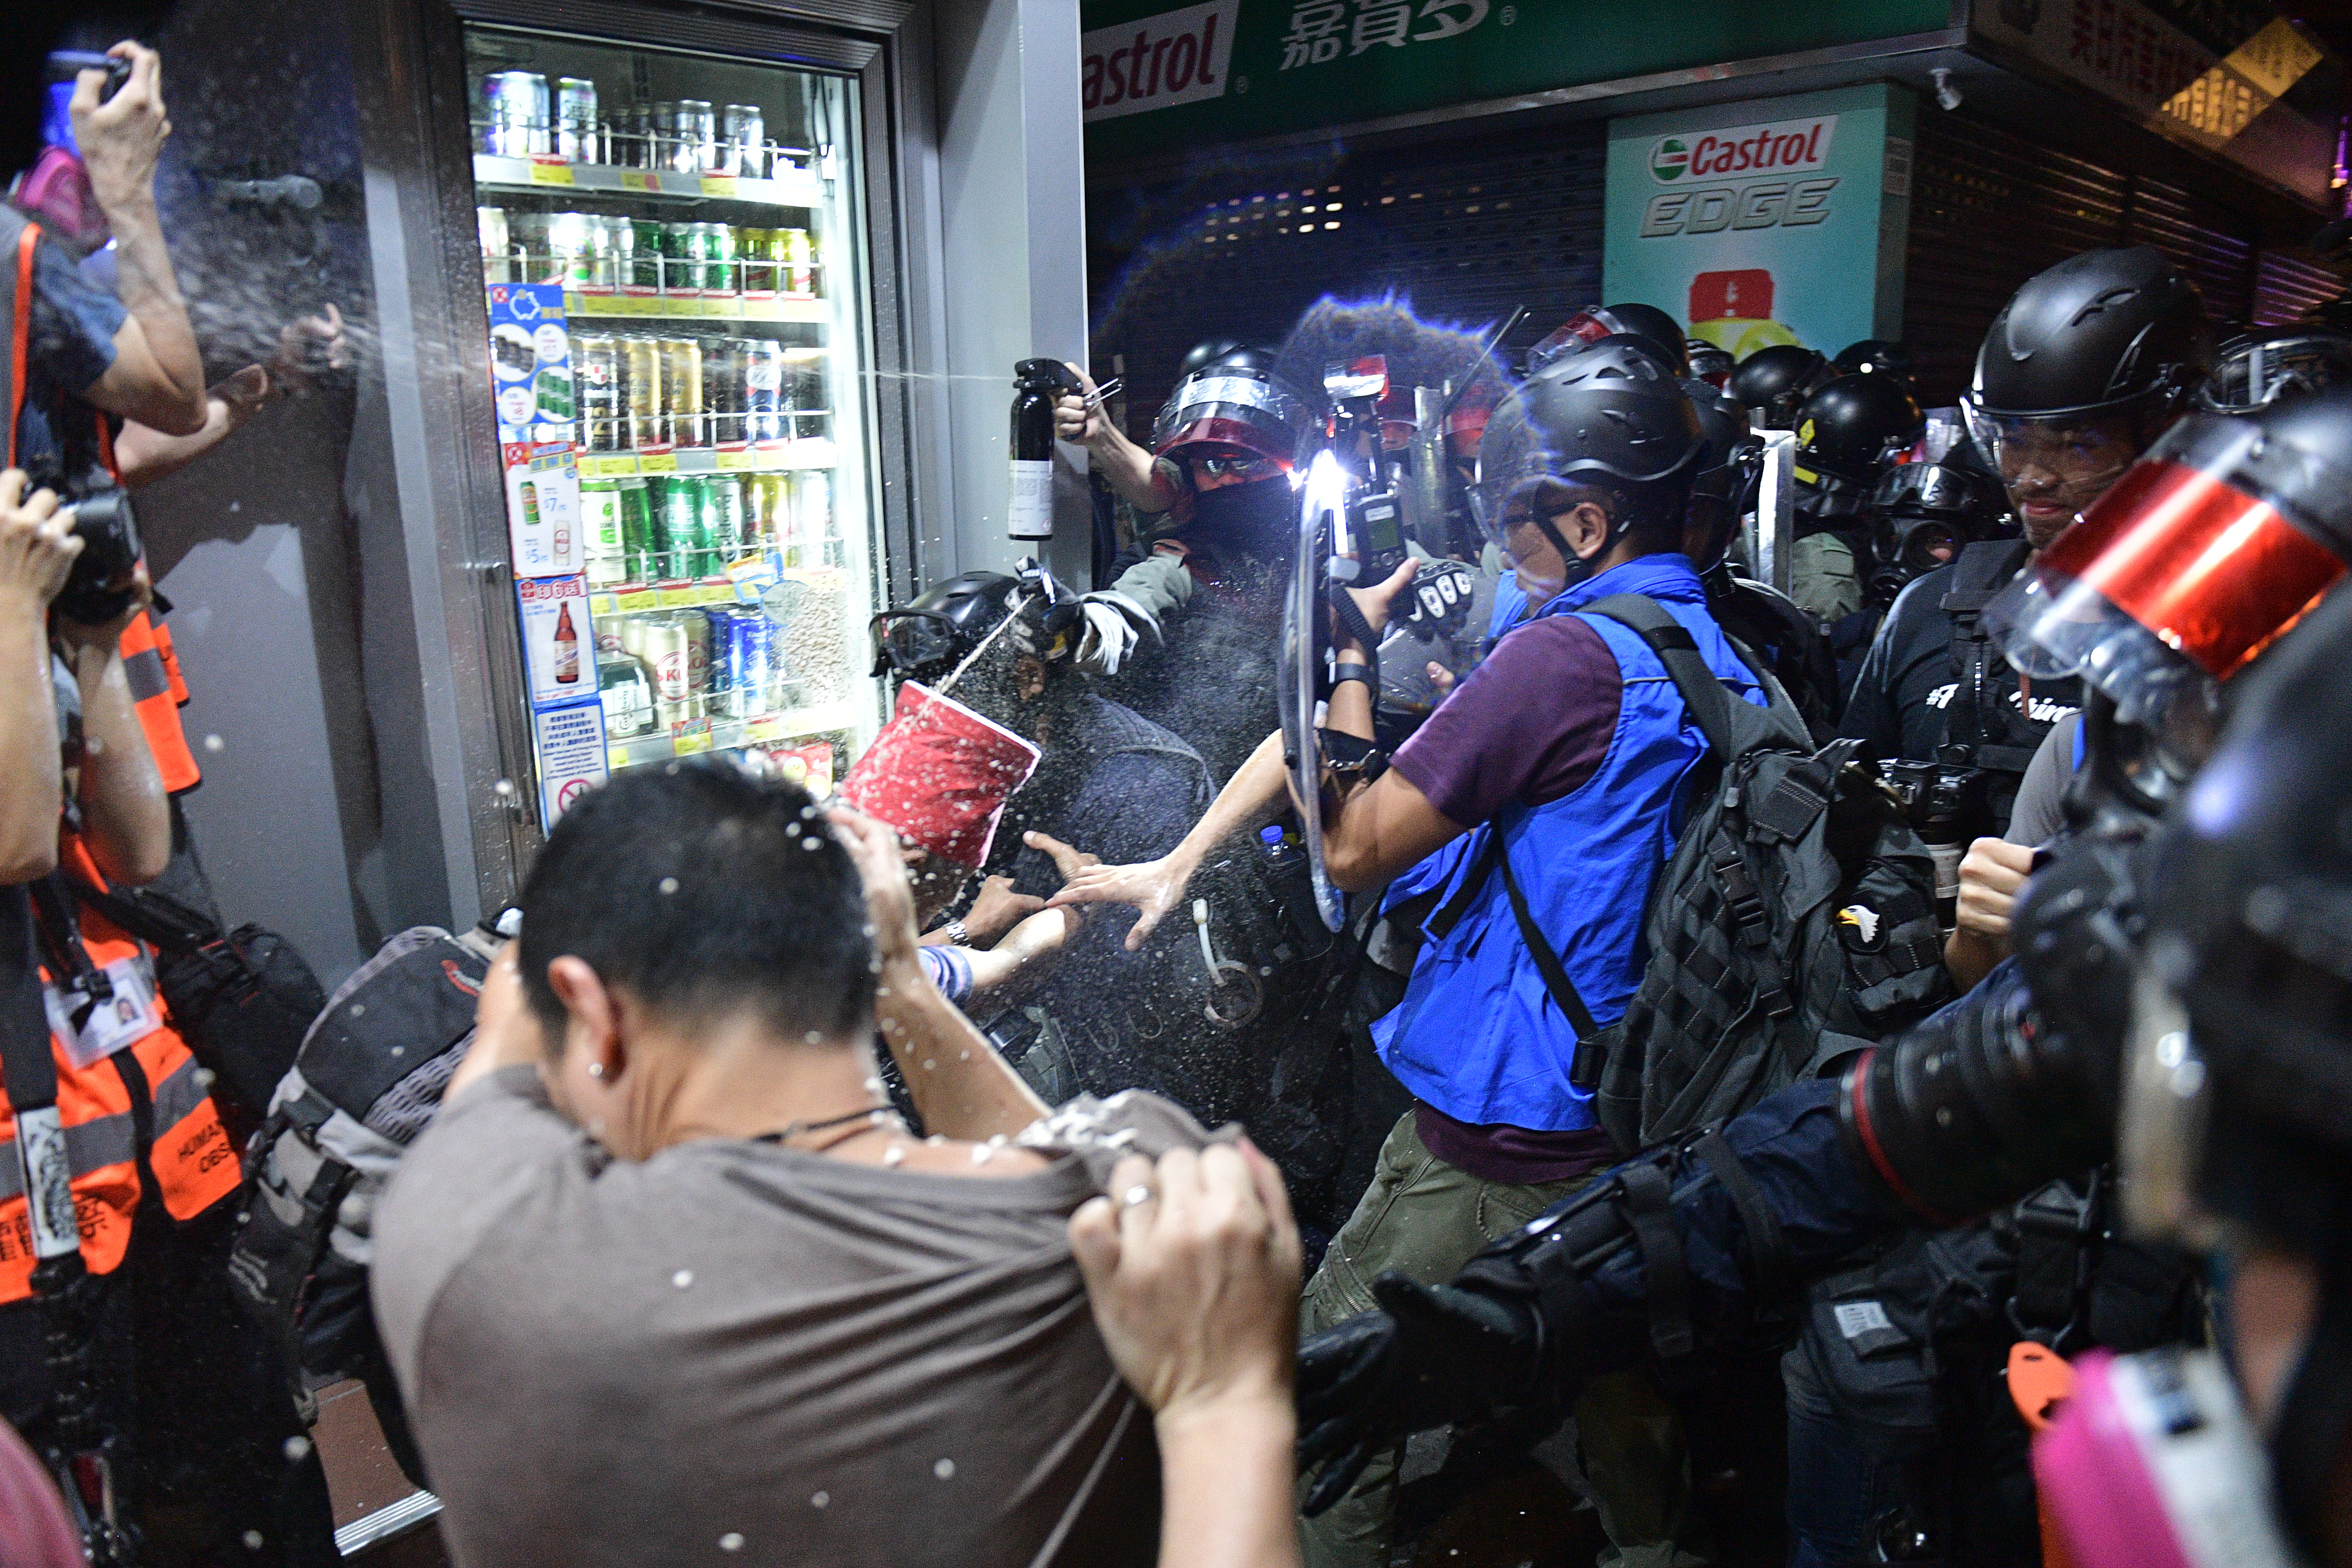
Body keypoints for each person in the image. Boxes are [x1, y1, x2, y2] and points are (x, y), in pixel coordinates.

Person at [1067, 337, 1744, 1567]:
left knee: (1333, 1381)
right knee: (1615, 1375)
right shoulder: (1701, 635)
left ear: (1591, 521)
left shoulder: (1561, 656)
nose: (1504, 542)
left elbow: (1352, 844)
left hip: (1506, 1121)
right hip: (1640, 1100)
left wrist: (1345, 663)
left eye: (1522, 517)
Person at [370, 762, 1269, 1566]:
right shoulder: (1146, 1204)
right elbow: (1043, 1158)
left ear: (589, 1010)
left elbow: (505, 1034)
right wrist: (1224, 1404)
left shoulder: (462, 1235)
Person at [1840, 247, 2210, 857]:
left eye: (2076, 446)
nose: (2032, 477)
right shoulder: (1931, 606)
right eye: (2012, 441)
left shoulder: (2215, 638)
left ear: (2168, 437)